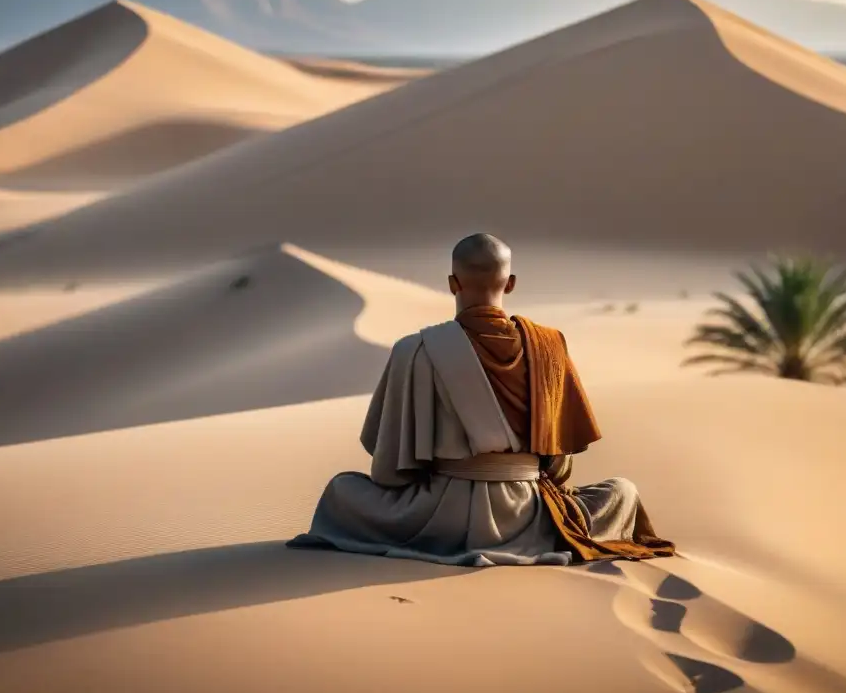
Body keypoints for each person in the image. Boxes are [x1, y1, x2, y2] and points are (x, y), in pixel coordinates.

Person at [288, 234, 674, 566]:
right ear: (511, 284)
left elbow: (388, 472)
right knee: (622, 492)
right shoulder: (549, 346)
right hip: (533, 516)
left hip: (436, 519)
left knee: (343, 489)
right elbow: (557, 467)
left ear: (453, 282)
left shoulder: (415, 349)